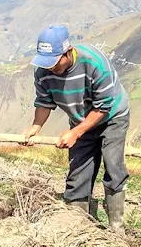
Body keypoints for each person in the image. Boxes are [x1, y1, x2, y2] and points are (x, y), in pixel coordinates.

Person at [22, 25, 130, 234]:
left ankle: (117, 228)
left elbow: (104, 107)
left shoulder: (95, 63)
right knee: (78, 171)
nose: (52, 68)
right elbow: (44, 101)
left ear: (67, 51)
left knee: (113, 164)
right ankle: (78, 226)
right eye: (47, 63)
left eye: (55, 62)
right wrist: (36, 126)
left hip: (111, 116)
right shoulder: (43, 72)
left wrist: (76, 132)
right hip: (80, 119)